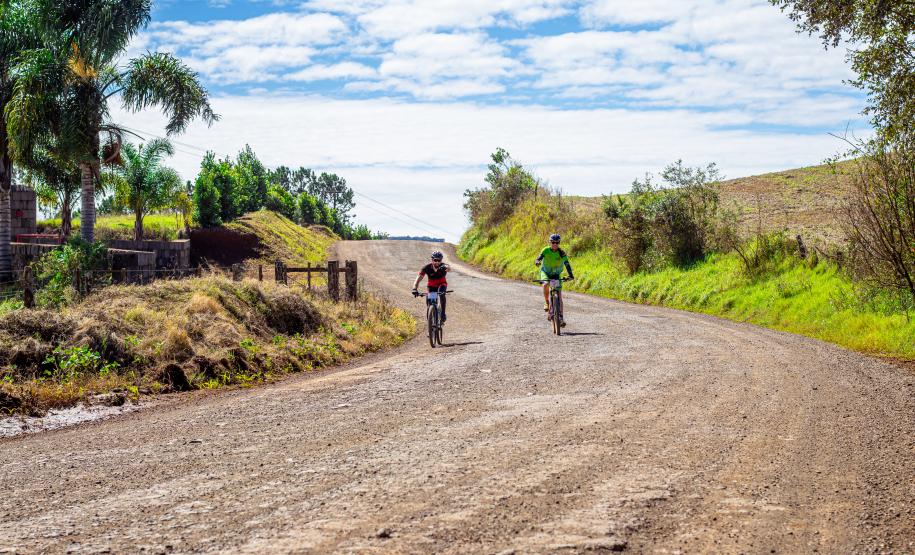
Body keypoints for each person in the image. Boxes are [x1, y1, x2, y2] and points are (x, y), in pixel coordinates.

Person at [535, 233, 574, 324]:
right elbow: (539, 258)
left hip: (556, 275)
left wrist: (571, 275)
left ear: (559, 243)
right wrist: (537, 261)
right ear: (550, 242)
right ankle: (547, 302)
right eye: (553, 242)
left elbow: (567, 264)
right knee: (545, 284)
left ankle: (560, 317)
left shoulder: (561, 253)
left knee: (559, 296)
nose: (555, 244)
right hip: (546, 273)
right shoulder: (546, 250)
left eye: (557, 242)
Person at [412, 251, 450, 322]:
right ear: (432, 260)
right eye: (435, 260)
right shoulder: (426, 268)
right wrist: (414, 288)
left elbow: (448, 267)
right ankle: (430, 322)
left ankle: (443, 314)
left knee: (441, 294)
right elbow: (418, 279)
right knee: (429, 303)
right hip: (432, 286)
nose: (437, 262)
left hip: (442, 284)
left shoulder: (443, 266)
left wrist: (447, 268)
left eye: (439, 260)